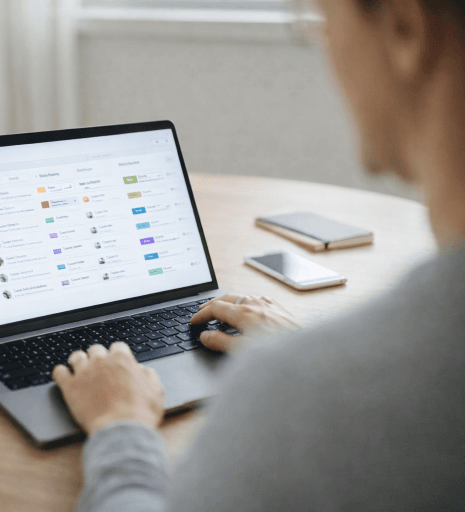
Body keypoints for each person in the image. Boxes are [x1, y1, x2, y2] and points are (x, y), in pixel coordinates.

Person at [52, 0, 465, 510]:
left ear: (405, 27)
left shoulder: (295, 394)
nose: (325, 45)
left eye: (324, 22)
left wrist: (120, 426)